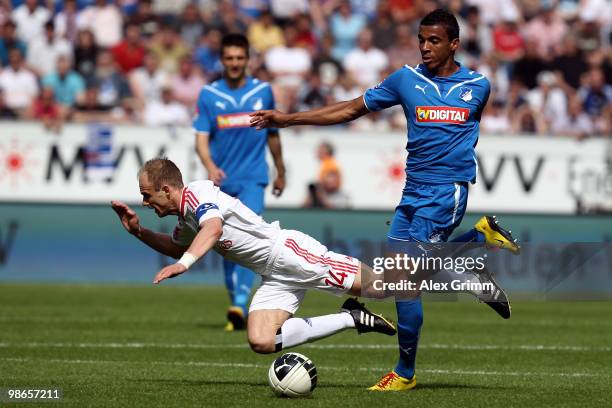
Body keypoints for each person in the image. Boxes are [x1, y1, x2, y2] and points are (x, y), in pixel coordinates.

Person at [250, 9, 520, 391]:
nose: (425, 47)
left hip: (446, 193)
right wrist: (290, 119)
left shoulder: (478, 86)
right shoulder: (405, 80)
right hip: (411, 192)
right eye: (422, 39)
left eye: (435, 41)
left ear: (454, 44)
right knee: (396, 280)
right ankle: (477, 241)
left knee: (405, 279)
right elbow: (350, 108)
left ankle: (406, 373)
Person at [111, 158, 396, 355]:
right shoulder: (186, 218)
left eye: (147, 195)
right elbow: (176, 246)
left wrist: (183, 265)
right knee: (261, 341)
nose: (145, 203)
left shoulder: (198, 193)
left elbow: (213, 227)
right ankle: (351, 318)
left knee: (382, 287)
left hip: (291, 255)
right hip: (272, 275)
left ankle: (429, 256)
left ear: (166, 189)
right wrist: (139, 232)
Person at [193, 33, 286, 332]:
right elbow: (201, 138)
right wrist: (210, 166)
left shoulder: (263, 91)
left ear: (248, 60)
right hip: (222, 181)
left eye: (239, 58)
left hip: (253, 179)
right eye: (229, 58)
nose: (234, 63)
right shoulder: (209, 95)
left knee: (251, 235)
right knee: (222, 241)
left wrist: (280, 169)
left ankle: (241, 301)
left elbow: (273, 134)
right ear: (222, 60)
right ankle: (236, 302)